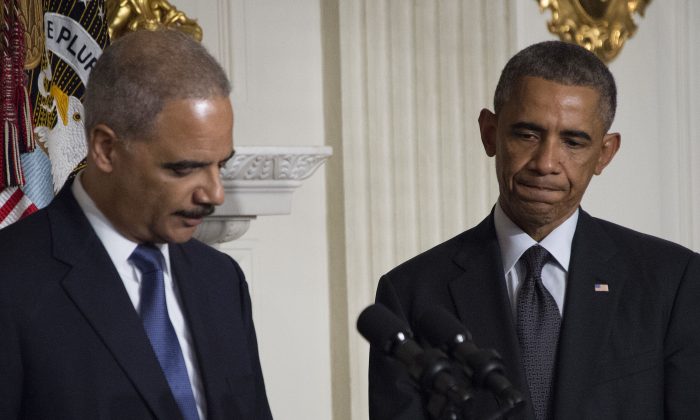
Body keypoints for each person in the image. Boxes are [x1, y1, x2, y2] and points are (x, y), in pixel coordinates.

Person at [369, 41, 700, 420]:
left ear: (605, 153)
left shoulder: (673, 282)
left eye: (573, 142)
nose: (546, 163)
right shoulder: (411, 292)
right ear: (490, 133)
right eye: (527, 135)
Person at [0, 29, 272, 420]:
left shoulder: (221, 280)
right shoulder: (11, 281)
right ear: (106, 149)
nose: (214, 194)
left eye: (220, 165)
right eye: (184, 168)